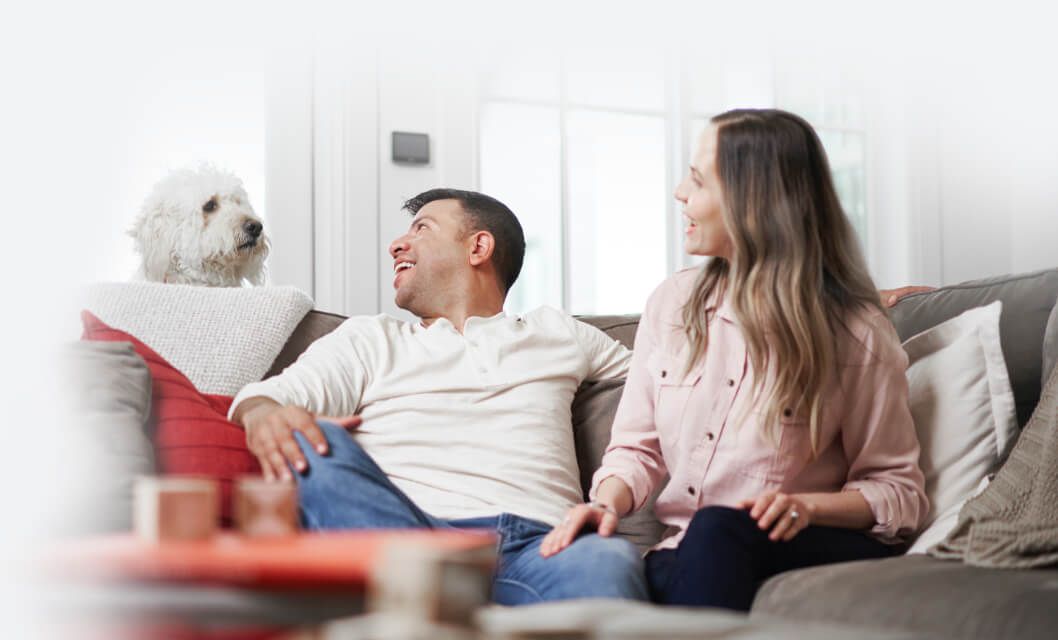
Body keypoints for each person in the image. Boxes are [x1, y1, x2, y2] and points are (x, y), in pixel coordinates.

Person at [540, 109, 929, 611]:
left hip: (802, 542)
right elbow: (636, 450)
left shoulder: (854, 333)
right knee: (622, 568)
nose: (680, 192)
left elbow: (898, 492)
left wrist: (806, 507)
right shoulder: (672, 306)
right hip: (690, 549)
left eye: (698, 180)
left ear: (754, 201)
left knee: (719, 527)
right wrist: (604, 505)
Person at [228, 188, 648, 605]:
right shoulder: (369, 338)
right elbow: (270, 399)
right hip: (410, 540)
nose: (396, 245)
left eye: (421, 229)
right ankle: (432, 600)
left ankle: (436, 613)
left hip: (545, 547)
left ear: (478, 247)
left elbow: (668, 379)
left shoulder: (558, 332)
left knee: (606, 558)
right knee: (310, 440)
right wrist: (262, 413)